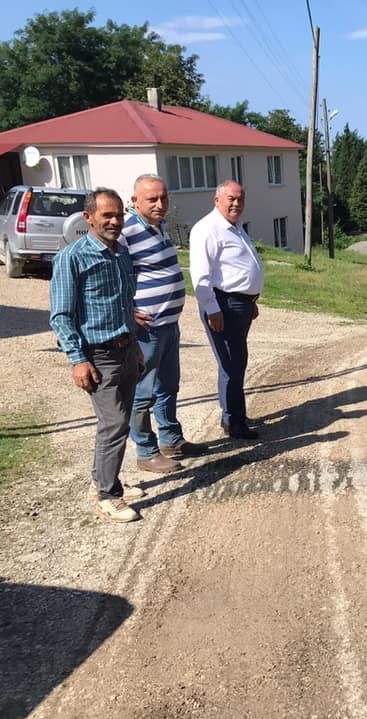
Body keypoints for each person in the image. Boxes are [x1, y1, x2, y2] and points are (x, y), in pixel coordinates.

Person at [49, 188, 144, 523]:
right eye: (108, 215)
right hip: (98, 356)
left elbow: (125, 303)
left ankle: (108, 481)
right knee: (114, 424)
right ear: (88, 218)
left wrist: (135, 344)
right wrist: (77, 359)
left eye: (119, 215)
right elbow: (61, 316)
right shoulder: (72, 258)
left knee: (120, 422)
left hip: (126, 349)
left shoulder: (121, 253)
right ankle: (106, 494)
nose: (116, 221)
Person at [121, 174, 206, 471]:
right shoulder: (127, 232)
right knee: (142, 392)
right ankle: (146, 451)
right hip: (147, 330)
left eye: (164, 198)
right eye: (152, 199)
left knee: (168, 385)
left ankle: (171, 438)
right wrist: (127, 312)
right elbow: (116, 278)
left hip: (169, 324)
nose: (160, 204)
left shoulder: (159, 226)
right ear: (135, 201)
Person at [189, 181, 264, 440]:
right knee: (232, 364)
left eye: (240, 199)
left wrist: (250, 301)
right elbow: (200, 275)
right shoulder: (207, 229)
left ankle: (232, 414)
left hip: (239, 305)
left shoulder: (235, 227)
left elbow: (237, 268)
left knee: (235, 362)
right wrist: (212, 308)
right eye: (231, 198)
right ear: (217, 200)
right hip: (224, 305)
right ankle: (234, 421)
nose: (236, 203)